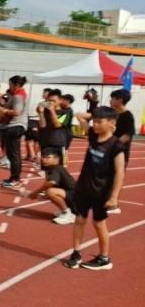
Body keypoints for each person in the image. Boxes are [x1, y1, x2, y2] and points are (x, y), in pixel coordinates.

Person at [64, 107, 126, 271]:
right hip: (83, 188)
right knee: (79, 220)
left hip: (101, 192)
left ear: (112, 123)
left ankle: (104, 258)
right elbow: (79, 116)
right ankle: (76, 253)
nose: (95, 124)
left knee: (99, 223)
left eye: (99, 122)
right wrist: (97, 115)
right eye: (94, 121)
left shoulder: (116, 146)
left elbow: (120, 173)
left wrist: (114, 197)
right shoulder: (93, 135)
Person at [24, 148, 76, 225]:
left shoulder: (56, 169)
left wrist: (35, 192)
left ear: (56, 159)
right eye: (43, 157)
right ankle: (67, 211)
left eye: (47, 157)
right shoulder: (53, 168)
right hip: (73, 196)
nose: (44, 160)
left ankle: (68, 214)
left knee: (50, 192)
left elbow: (52, 182)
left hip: (76, 198)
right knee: (48, 191)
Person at [0, 76, 28, 189]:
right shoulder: (19, 95)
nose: (9, 87)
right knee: (13, 154)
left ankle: (15, 179)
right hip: (16, 126)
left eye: (10, 84)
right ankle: (14, 178)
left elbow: (16, 112)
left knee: (13, 154)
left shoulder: (18, 96)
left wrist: (2, 110)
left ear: (16, 85)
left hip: (15, 126)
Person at [37, 88, 68, 164]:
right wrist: (41, 113)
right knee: (46, 167)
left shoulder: (65, 112)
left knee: (58, 167)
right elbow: (42, 125)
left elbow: (57, 124)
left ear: (60, 100)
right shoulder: (45, 111)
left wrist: (52, 110)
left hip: (58, 144)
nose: (51, 103)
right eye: (49, 101)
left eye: (54, 101)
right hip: (45, 143)